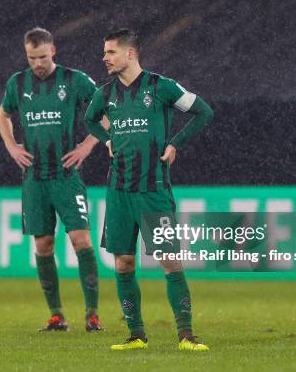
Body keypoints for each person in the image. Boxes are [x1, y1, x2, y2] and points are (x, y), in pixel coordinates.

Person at [85, 29, 214, 350]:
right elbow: (89, 121)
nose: (104, 58)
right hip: (118, 191)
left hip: (153, 190)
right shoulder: (104, 94)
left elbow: (204, 112)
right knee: (123, 264)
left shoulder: (161, 87)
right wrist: (107, 139)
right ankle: (136, 335)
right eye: (104, 52)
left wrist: (175, 143)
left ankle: (186, 335)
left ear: (130, 54)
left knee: (170, 262)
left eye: (110, 52)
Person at [0, 27, 108, 332]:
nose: (38, 64)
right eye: (32, 58)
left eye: (43, 57)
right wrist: (11, 145)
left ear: (54, 51)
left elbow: (107, 113)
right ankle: (56, 315)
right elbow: (2, 115)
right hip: (34, 178)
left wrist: (87, 145)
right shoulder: (18, 83)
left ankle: (92, 313)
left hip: (65, 175)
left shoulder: (75, 81)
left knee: (80, 239)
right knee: (43, 244)